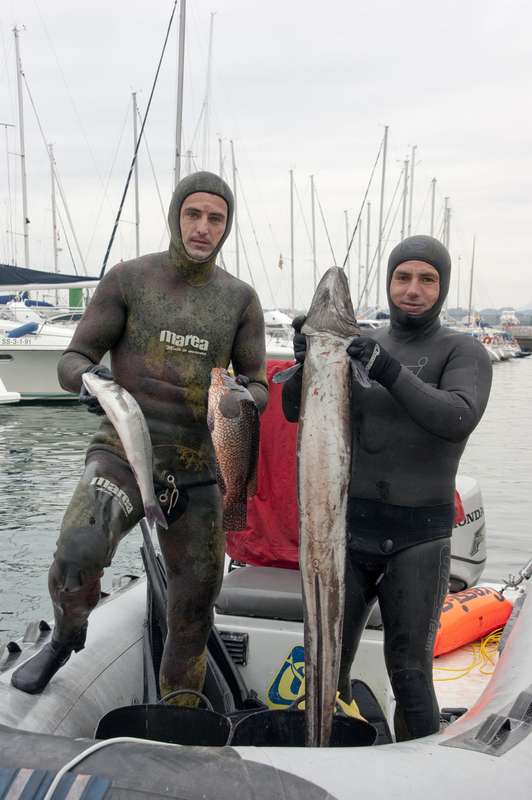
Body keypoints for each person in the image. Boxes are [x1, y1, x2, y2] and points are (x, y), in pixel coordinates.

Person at [12, 171, 268, 698]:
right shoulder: (130, 279)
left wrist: (245, 398)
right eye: (193, 214)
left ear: (226, 227)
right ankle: (64, 638)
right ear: (175, 215)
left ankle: (178, 713)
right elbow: (73, 357)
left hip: (198, 468)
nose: (202, 228)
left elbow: (259, 383)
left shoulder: (239, 300)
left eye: (215, 219)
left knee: (195, 604)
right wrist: (87, 380)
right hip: (122, 454)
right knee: (77, 553)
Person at [282, 235, 492, 740]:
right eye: (403, 277)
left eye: (426, 279)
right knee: (325, 665)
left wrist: (388, 370)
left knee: (411, 675)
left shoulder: (461, 351)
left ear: (441, 288)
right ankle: (329, 759)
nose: (413, 289)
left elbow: (455, 417)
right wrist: (306, 362)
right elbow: (296, 410)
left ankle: (416, 779)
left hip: (419, 538)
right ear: (390, 281)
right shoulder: (362, 341)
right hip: (347, 535)